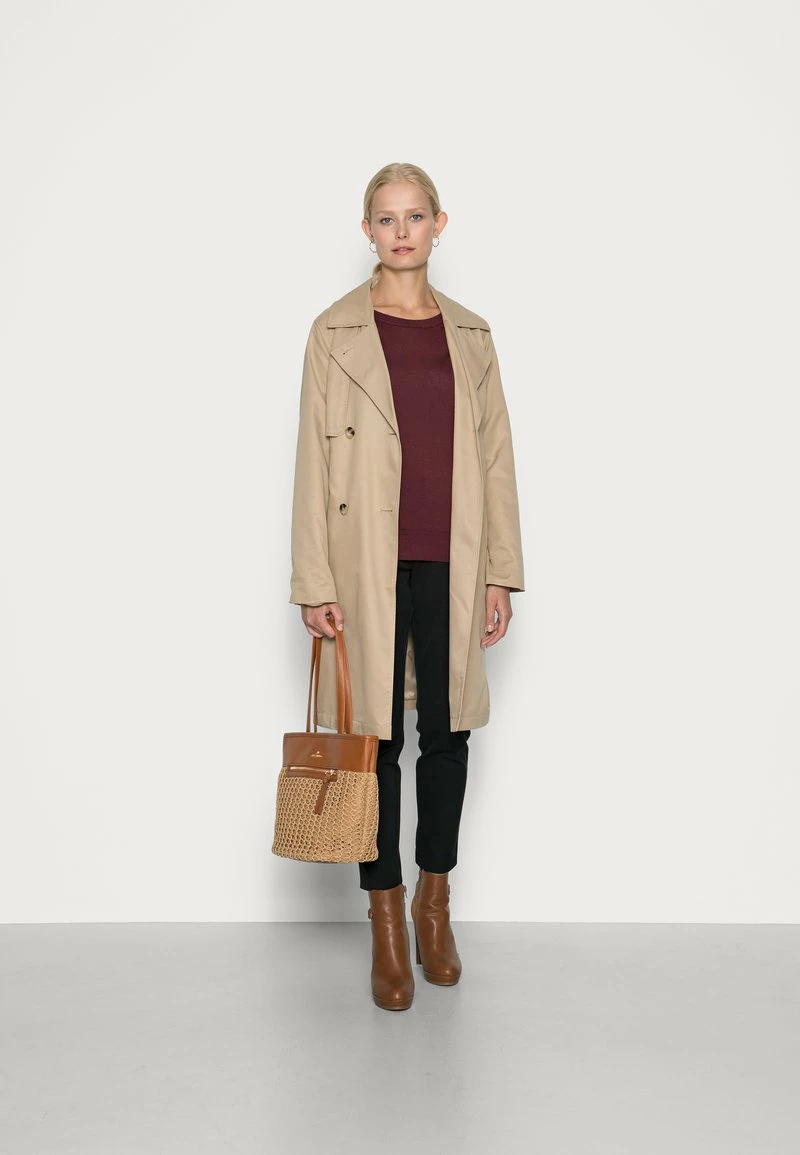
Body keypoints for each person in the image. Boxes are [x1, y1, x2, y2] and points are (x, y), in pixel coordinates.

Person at [288, 162, 525, 1010]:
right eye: (386, 219)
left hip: (454, 556)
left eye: (415, 216)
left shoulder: (472, 335)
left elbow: (495, 459)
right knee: (375, 743)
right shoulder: (334, 332)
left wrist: (500, 569)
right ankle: (385, 918)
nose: (401, 232)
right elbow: (312, 461)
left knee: (448, 735)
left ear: (439, 224)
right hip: (364, 561)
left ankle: (434, 906)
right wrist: (314, 577)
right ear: (367, 230)